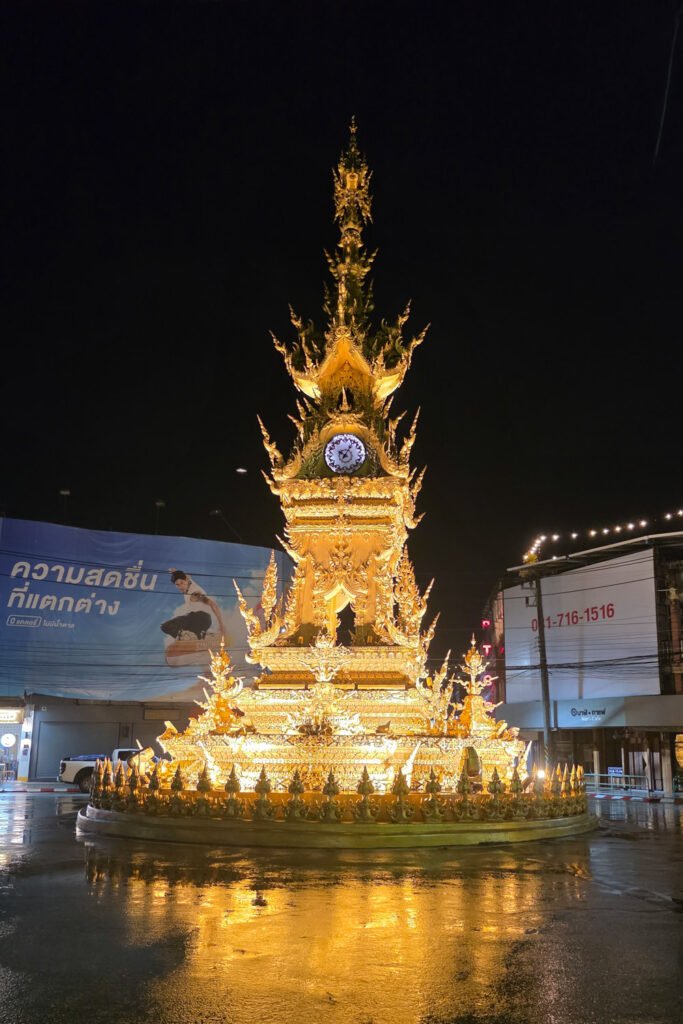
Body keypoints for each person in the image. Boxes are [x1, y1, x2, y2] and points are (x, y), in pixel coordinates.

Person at [161, 569, 226, 642]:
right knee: (194, 636)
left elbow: (212, 604)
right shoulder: (189, 581)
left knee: (165, 626)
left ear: (186, 580)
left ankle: (185, 637)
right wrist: (175, 572)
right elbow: (187, 576)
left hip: (198, 617)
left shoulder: (194, 594)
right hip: (204, 622)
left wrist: (221, 624)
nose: (180, 587)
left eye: (182, 583)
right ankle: (204, 636)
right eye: (177, 584)